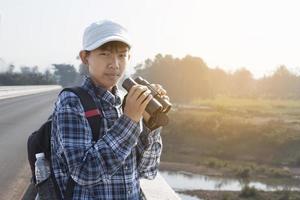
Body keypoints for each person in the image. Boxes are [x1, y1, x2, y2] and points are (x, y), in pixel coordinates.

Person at [50, 20, 168, 199]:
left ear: (129, 57)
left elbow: (147, 171)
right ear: (85, 57)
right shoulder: (71, 102)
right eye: (105, 54)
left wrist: (151, 124)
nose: (115, 64)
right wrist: (129, 120)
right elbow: (84, 173)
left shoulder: (124, 101)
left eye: (122, 55)